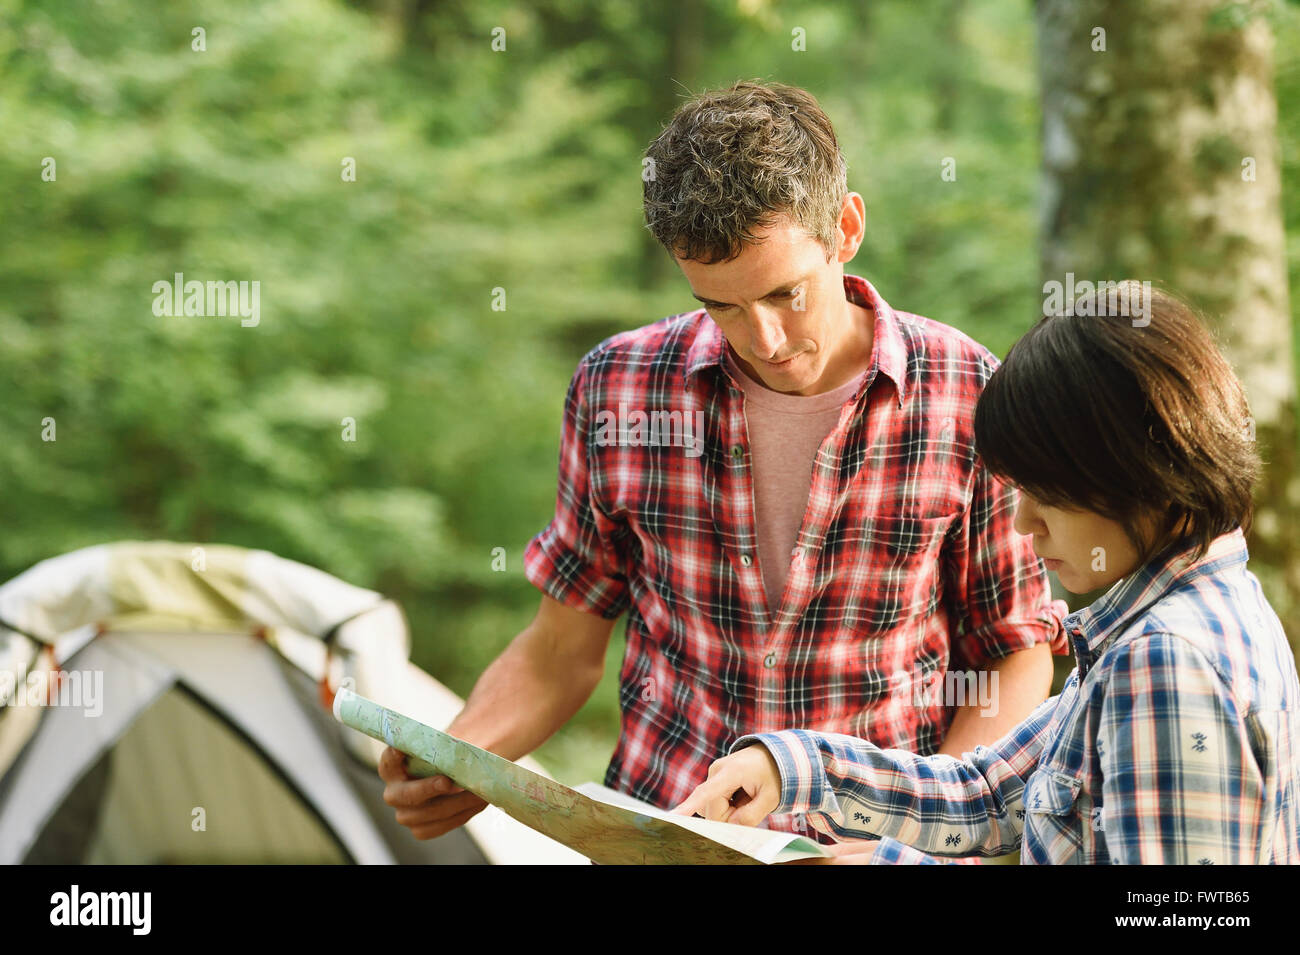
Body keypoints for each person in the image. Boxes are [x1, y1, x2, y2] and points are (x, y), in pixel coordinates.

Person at [379, 80, 1069, 848]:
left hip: (869, 844)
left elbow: (1010, 653)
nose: (766, 339)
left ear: (845, 227)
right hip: (664, 834)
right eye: (723, 306)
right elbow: (557, 654)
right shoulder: (618, 387)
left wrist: (926, 840)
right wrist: (460, 756)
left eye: (786, 293)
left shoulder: (970, 392)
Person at [676, 283, 1300, 864]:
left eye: (1047, 492)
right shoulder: (1180, 619)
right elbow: (987, 792)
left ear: (1137, 472)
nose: (1025, 522)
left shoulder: (1165, 662)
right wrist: (791, 769)